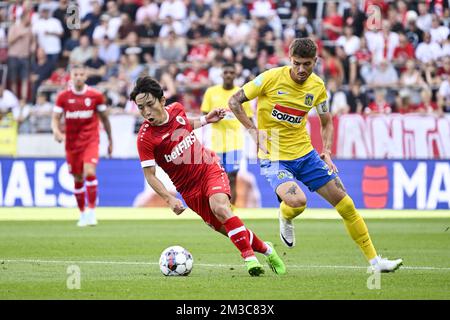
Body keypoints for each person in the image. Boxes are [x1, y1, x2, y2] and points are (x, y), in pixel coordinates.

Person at [228, 38, 403, 273]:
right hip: (274, 156)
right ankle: (285, 215)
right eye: (297, 63)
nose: (301, 69)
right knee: (298, 202)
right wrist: (253, 132)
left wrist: (327, 151)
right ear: (290, 59)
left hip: (306, 154)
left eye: (307, 64)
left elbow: (326, 121)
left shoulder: (317, 86)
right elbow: (234, 101)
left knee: (347, 205)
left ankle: (375, 263)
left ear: (315, 62)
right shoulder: (269, 78)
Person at [130, 76, 285, 276]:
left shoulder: (176, 109)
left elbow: (184, 124)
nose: (146, 112)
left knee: (220, 207)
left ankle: (249, 259)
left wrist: (205, 120)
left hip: (208, 168)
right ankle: (267, 250)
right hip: (189, 191)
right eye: (141, 107)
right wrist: (169, 199)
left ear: (162, 100)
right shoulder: (145, 138)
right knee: (226, 227)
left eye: (149, 104)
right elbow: (150, 175)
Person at [51, 64, 113, 227]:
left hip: (91, 140)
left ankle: (92, 211)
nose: (78, 77)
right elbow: (55, 118)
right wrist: (56, 131)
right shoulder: (63, 97)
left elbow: (105, 119)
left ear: (85, 77)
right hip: (72, 143)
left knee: (89, 171)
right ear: (71, 76)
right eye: (75, 74)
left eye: (81, 74)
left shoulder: (96, 96)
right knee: (78, 178)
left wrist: (110, 140)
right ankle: (82, 213)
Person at [200, 63, 253, 209]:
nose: (229, 75)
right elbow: (204, 115)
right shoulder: (211, 92)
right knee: (217, 178)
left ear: (235, 75)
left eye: (231, 72)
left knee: (232, 177)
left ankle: (231, 210)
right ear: (222, 74)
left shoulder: (241, 94)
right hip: (215, 142)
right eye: (226, 72)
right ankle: (218, 208)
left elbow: (249, 118)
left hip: (234, 142)